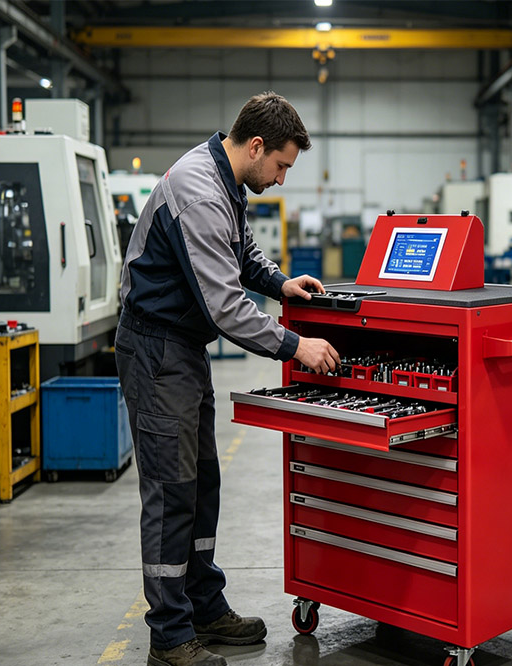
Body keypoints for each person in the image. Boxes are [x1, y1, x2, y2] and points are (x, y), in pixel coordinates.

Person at [115, 92, 340, 666]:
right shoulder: (197, 189)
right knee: (170, 493)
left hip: (182, 349)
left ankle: (202, 605)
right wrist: (297, 346)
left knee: (201, 482)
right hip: (155, 347)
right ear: (257, 146)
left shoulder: (225, 180)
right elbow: (224, 307)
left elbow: (239, 253)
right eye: (283, 166)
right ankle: (169, 635)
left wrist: (281, 283)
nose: (283, 178)